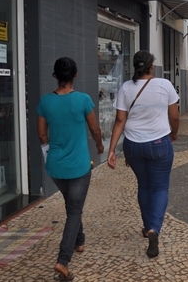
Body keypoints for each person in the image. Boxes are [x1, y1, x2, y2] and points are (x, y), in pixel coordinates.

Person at [37, 57, 104, 281]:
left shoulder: (45, 102)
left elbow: (41, 134)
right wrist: (100, 145)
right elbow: (95, 129)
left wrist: (50, 147)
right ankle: (62, 261)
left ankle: (80, 240)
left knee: (72, 204)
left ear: (55, 76)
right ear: (75, 75)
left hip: (55, 167)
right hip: (78, 166)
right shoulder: (83, 100)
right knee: (74, 210)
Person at [107, 50, 179, 259]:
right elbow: (173, 115)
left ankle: (147, 226)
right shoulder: (164, 85)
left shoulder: (126, 87)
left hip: (133, 146)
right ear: (151, 67)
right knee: (160, 186)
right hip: (159, 143)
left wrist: (112, 149)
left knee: (144, 185)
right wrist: (174, 133)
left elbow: (120, 120)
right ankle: (154, 229)